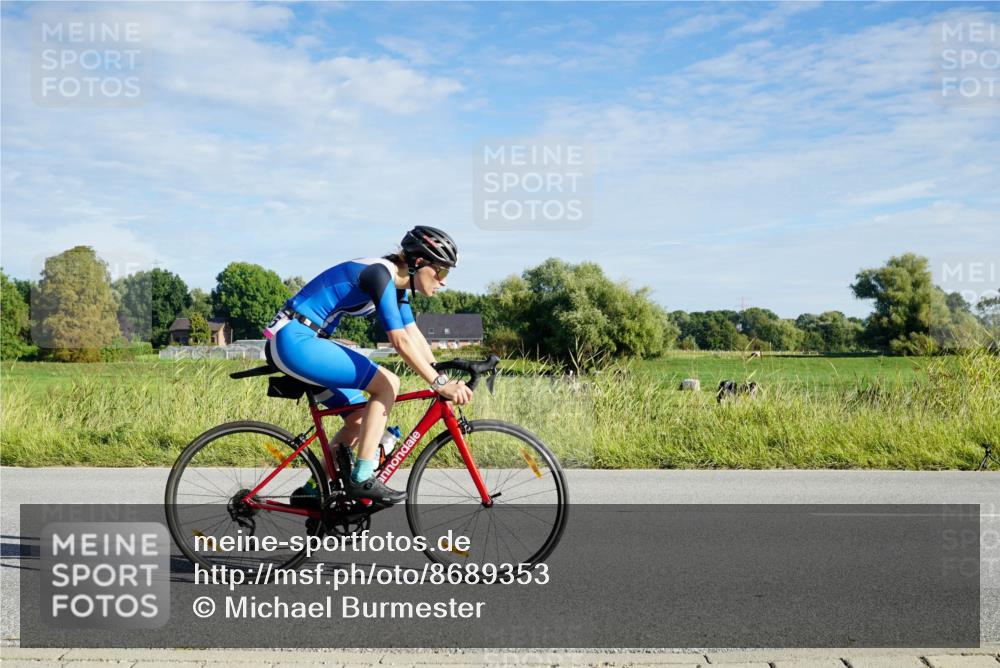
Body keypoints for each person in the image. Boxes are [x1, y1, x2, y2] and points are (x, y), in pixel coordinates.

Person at [263, 226, 473, 505]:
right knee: (388, 384)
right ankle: (362, 477)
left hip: (304, 341)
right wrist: (438, 384)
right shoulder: (380, 274)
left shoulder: (398, 289)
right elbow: (398, 341)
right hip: (295, 339)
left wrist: (442, 376)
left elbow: (414, 336)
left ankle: (315, 490)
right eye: (442, 272)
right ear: (420, 263)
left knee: (360, 421)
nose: (443, 282)